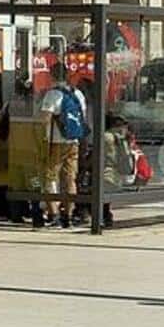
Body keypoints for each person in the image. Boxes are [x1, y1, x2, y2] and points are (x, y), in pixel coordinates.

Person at [37, 69, 89, 229]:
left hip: (56, 142)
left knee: (50, 176)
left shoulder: (53, 94)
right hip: (73, 141)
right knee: (69, 179)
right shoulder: (78, 94)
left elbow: (45, 119)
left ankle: (54, 215)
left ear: (52, 76)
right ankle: (68, 214)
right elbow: (82, 119)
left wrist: (41, 139)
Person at [98, 115, 137, 229]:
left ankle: (100, 216)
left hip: (107, 175)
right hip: (120, 176)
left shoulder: (106, 137)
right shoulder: (122, 138)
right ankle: (106, 214)